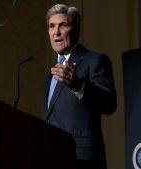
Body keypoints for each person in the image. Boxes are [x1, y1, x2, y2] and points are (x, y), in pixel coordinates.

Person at [41, 4, 117, 169]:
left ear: (76, 30)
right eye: (51, 26)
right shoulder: (50, 74)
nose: (56, 32)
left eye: (63, 25)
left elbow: (109, 103)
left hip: (82, 159)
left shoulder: (94, 61)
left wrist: (78, 85)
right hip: (52, 158)